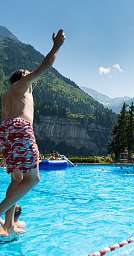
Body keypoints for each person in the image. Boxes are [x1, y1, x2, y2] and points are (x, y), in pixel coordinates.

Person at [0, 29, 65, 236]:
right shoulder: (22, 85)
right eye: (29, 76)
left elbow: (4, 122)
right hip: (20, 129)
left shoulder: (7, 95)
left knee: (17, 180)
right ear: (23, 78)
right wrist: (56, 47)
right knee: (34, 179)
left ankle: (8, 225)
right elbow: (45, 65)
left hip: (7, 132)